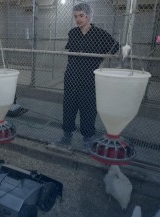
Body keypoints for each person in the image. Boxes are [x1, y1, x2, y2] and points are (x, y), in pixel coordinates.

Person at [55, 3, 119, 148]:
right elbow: (70, 50)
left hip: (89, 78)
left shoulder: (99, 33)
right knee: (69, 107)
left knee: (88, 109)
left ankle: (88, 138)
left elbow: (115, 47)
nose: (78, 19)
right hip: (71, 76)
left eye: (81, 16)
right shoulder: (73, 33)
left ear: (89, 16)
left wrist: (102, 57)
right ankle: (67, 135)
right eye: (76, 16)